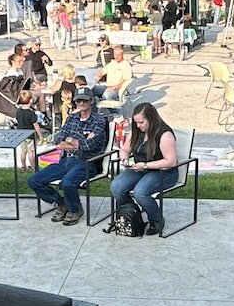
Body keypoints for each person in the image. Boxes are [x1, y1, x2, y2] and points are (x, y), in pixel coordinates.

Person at [28, 92, 108, 226]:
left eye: (84, 100)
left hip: (86, 162)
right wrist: (75, 142)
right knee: (33, 180)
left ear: (91, 101)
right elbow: (58, 140)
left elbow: (89, 145)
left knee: (67, 183)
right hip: (65, 160)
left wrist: (69, 140)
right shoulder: (72, 118)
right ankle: (61, 203)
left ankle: (75, 209)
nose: (81, 103)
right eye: (78, 101)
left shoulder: (99, 120)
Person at [108, 103, 179, 236]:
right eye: (136, 122)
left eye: (141, 122)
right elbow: (125, 149)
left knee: (140, 192)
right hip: (140, 169)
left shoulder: (164, 134)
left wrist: (145, 165)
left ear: (151, 119)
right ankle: (132, 213)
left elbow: (171, 161)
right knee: (116, 187)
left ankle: (156, 221)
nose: (138, 125)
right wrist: (124, 159)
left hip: (164, 171)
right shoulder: (137, 131)